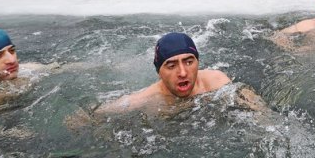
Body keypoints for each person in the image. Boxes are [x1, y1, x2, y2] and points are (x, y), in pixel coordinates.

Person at [94, 32, 233, 115]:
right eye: (171, 66)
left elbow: (253, 108)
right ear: (159, 72)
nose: (183, 73)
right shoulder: (147, 100)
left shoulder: (217, 82)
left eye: (189, 62)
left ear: (198, 62)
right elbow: (96, 114)